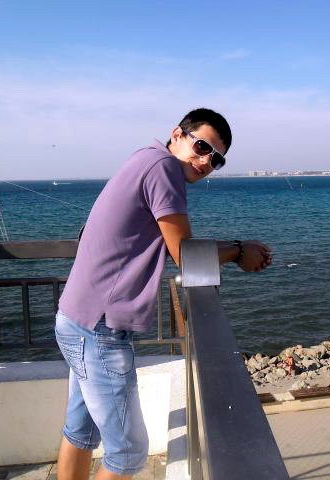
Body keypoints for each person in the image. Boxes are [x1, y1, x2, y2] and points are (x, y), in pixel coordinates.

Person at [55, 108, 273, 480]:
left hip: (75, 318)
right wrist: (239, 251)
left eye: (216, 160)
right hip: (99, 329)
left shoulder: (145, 157)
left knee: (81, 432)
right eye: (202, 147)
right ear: (178, 134)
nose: (206, 162)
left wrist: (236, 249)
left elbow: (174, 244)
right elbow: (184, 254)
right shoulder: (164, 169)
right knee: (128, 453)